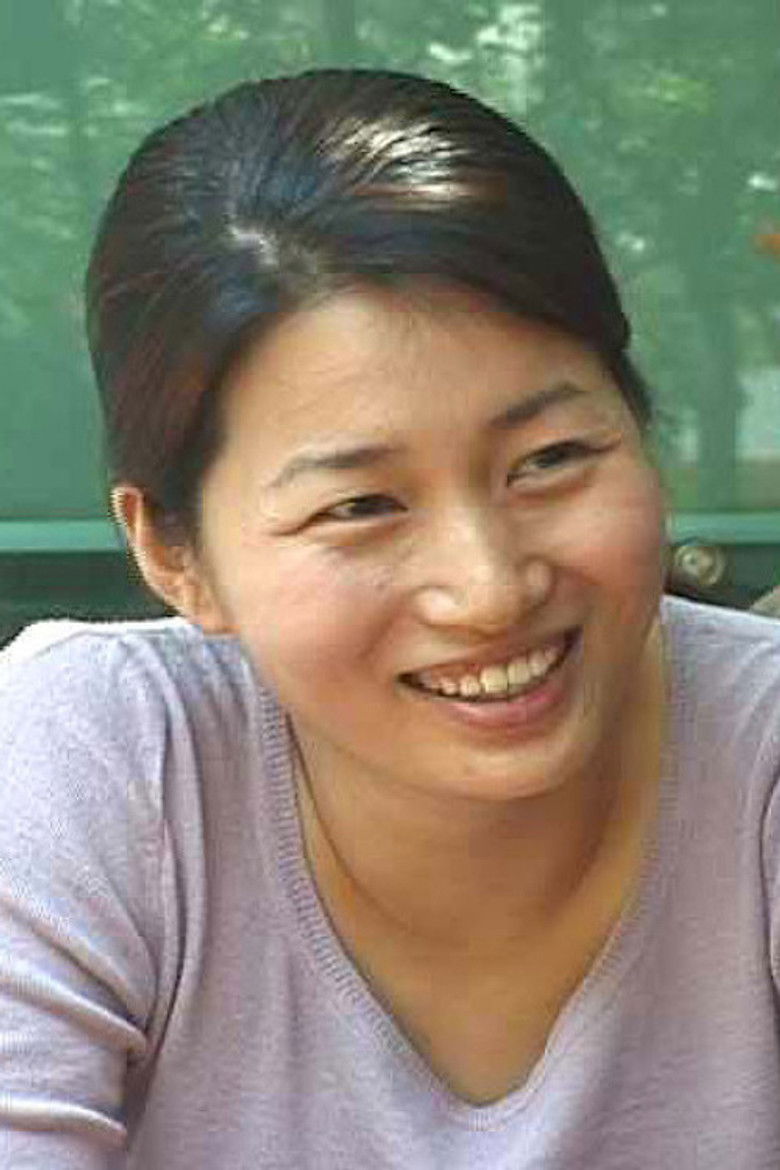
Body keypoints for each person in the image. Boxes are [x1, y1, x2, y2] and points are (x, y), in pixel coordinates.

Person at [1, 68, 779, 1169]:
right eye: (360, 507)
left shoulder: (760, 760)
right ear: (175, 554)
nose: (490, 589)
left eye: (550, 460)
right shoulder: (99, 760)